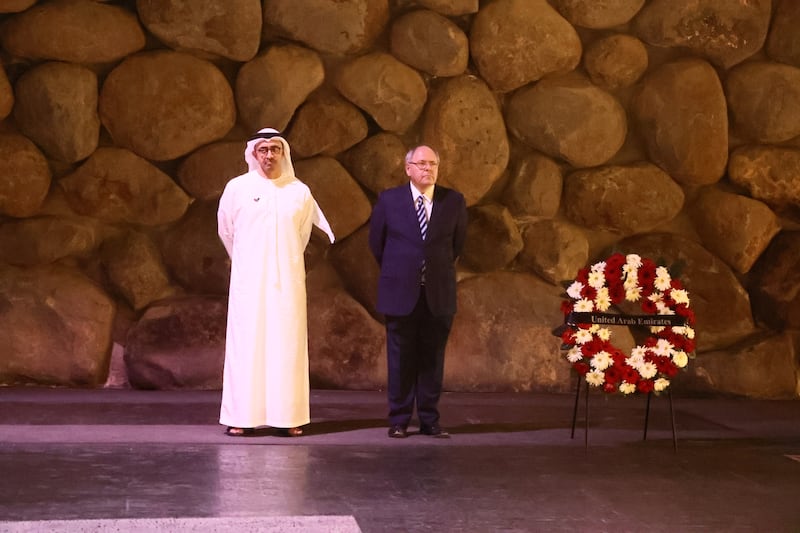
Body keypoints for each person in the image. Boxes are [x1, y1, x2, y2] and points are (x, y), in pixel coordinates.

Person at [217, 127, 334, 437]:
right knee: (247, 345)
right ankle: (241, 417)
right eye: (263, 150)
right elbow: (226, 231)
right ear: (254, 153)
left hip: (287, 284)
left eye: (275, 149)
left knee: (287, 345)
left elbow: (302, 235)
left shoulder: (299, 191)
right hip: (249, 284)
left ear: (284, 153)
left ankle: (289, 416)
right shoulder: (237, 188)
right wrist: (248, 263)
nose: (269, 155)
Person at [368, 145, 468, 438]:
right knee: (400, 358)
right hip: (400, 292)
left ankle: (429, 420)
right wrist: (402, 269)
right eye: (421, 163)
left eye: (433, 164)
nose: (428, 169)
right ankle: (398, 420)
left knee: (433, 358)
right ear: (408, 168)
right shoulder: (389, 200)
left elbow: (457, 245)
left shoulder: (454, 201)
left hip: (438, 293)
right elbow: (378, 243)